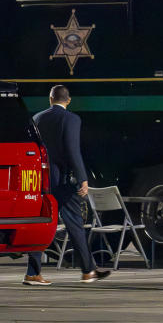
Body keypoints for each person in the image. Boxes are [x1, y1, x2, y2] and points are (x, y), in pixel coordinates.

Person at [24, 85, 110, 285]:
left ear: (50, 99)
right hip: (61, 181)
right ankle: (88, 271)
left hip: (42, 179)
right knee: (75, 223)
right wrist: (82, 177)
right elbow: (72, 150)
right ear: (68, 100)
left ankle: (32, 273)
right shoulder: (71, 119)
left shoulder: (37, 118)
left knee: (43, 223)